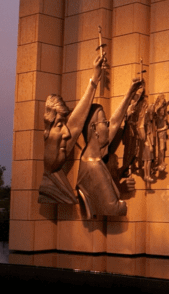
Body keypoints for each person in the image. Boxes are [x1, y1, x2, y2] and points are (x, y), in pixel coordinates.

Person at [38, 55, 103, 205]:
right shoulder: (48, 187)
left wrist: (95, 78)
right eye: (60, 125)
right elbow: (75, 125)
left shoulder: (57, 176)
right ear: (46, 131)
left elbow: (76, 123)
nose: (67, 134)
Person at [76, 78, 143, 218]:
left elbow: (114, 123)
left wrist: (130, 92)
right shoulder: (94, 167)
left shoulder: (95, 153)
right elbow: (115, 208)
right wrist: (123, 202)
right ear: (94, 128)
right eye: (103, 122)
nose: (107, 125)